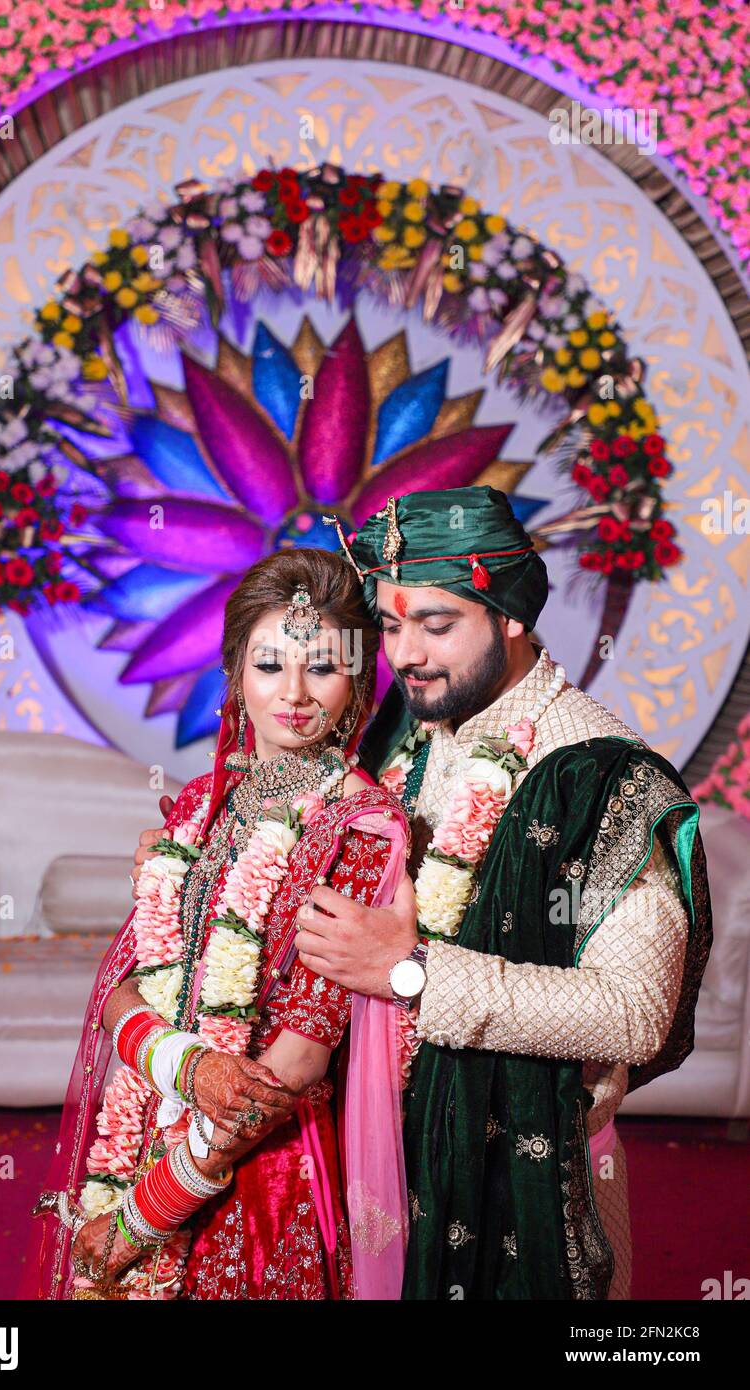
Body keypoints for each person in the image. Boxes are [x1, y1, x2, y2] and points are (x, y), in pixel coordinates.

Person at [133, 487, 712, 1301]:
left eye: (436, 625)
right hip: (390, 1168)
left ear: (509, 613)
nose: (405, 653)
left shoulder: (596, 774)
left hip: (523, 1180)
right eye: (392, 625)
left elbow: (633, 1013)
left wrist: (411, 972)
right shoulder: (413, 738)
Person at [21, 547, 412, 1301]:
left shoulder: (363, 828)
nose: (294, 694)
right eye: (270, 666)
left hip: (264, 1176)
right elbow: (117, 989)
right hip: (148, 1126)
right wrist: (186, 1067)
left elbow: (292, 1067)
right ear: (235, 673)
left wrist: (143, 1216)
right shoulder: (201, 804)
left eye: (323, 668)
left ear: (359, 679)